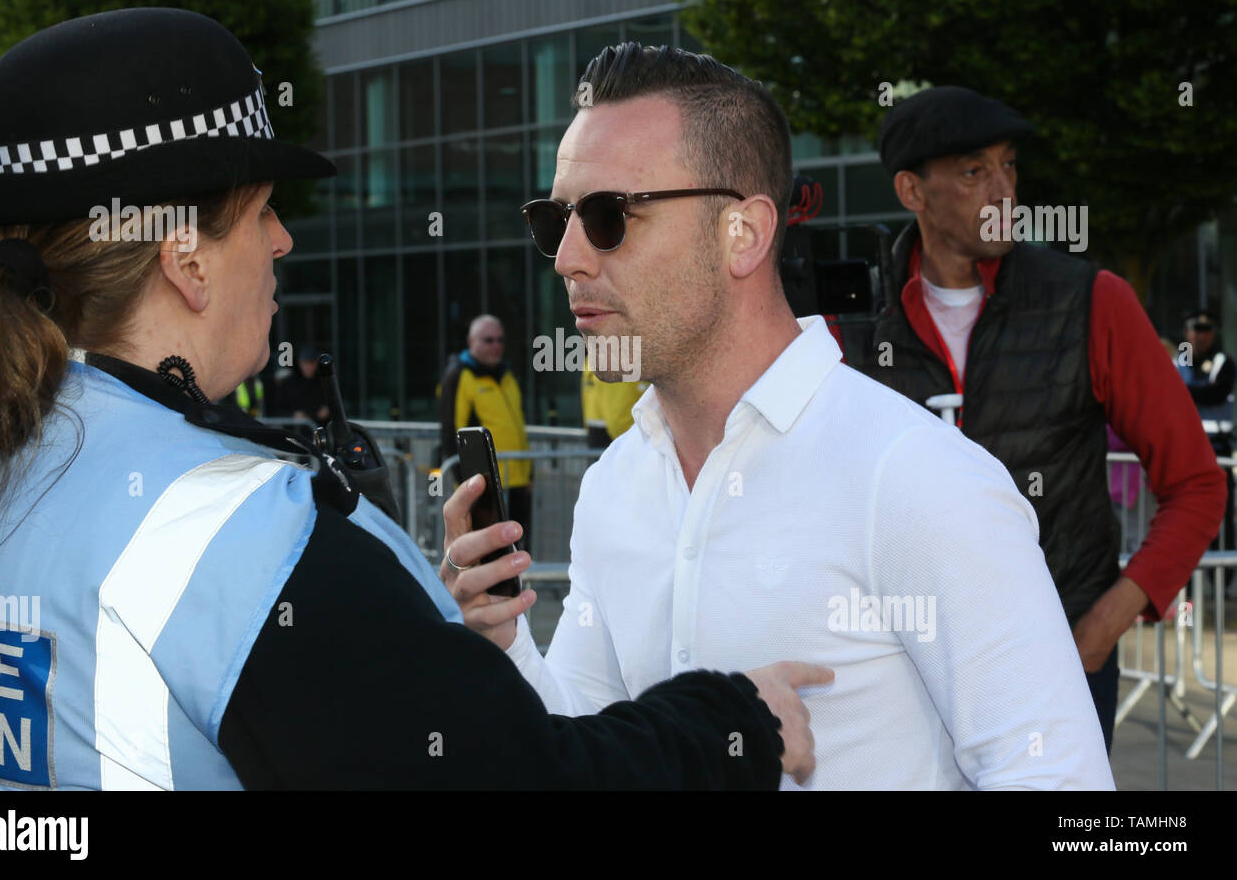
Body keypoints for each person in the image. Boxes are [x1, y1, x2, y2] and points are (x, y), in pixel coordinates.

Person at [0, 8, 824, 790]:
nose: (284, 240)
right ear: (186, 262)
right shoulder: (243, 538)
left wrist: (425, 635)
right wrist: (731, 725)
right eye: (261, 213)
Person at [440, 43, 1115, 789]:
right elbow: (588, 740)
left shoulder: (918, 479)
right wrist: (504, 644)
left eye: (608, 216)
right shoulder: (615, 486)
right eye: (554, 219)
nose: (566, 257)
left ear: (746, 234)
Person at [836, 85, 1227, 751]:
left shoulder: (1091, 301)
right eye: (972, 172)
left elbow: (1197, 484)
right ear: (912, 191)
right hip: (897, 671)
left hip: (1057, 661)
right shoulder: (846, 327)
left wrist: (1101, 628)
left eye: (1009, 165)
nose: (1002, 190)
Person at [438, 314, 532, 547]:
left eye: (500, 340)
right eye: (488, 340)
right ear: (471, 343)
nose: (496, 346)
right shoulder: (460, 375)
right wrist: (465, 485)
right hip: (485, 486)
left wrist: (529, 474)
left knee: (517, 550)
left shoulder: (507, 375)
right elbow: (451, 433)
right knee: (490, 553)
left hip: (517, 480)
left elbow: (517, 428)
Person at [1177, 308, 1235, 573]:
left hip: (1218, 450)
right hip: (1189, 452)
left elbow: (1217, 392)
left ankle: (1222, 578)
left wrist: (1187, 392)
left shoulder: (1223, 361)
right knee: (1188, 514)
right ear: (1187, 333)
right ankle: (1190, 576)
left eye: (1205, 332)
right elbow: (1177, 387)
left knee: (1224, 516)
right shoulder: (1184, 358)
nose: (1200, 337)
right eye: (1195, 331)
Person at [581, 360, 648, 449]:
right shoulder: (618, 361)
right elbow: (618, 414)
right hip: (617, 436)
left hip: (598, 431)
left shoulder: (593, 359)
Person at [273, 344, 329, 424]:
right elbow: (276, 410)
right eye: (305, 363)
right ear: (299, 363)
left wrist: (327, 411)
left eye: (312, 363)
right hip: (294, 431)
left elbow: (334, 407)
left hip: (318, 430)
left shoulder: (323, 382)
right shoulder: (287, 383)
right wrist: (292, 415)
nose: (309, 367)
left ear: (316, 363)